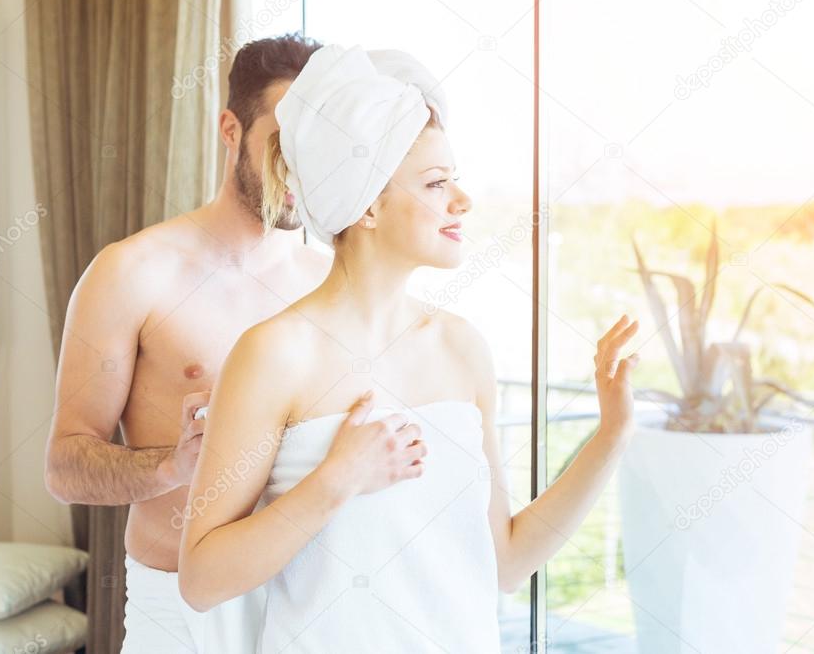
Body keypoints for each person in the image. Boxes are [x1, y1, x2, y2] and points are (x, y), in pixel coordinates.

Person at [178, 43, 641, 653]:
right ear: (368, 204)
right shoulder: (274, 355)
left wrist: (610, 435)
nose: (462, 201)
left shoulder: (462, 349)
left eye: (455, 179)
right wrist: (336, 480)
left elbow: (502, 563)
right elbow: (201, 579)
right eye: (435, 182)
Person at [43, 34, 419, 653]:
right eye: (283, 140)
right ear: (229, 129)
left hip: (311, 600)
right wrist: (171, 465)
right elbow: (64, 466)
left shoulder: (329, 281)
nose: (301, 164)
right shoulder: (133, 272)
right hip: (181, 610)